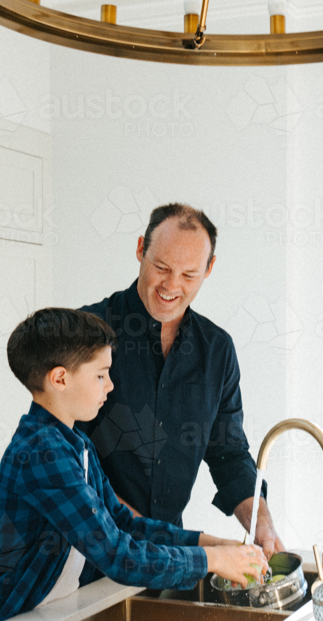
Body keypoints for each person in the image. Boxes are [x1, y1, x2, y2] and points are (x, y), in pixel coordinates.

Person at [0, 308, 267, 621]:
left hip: (46, 617)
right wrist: (212, 561)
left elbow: (124, 524)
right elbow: (116, 555)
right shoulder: (43, 452)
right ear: (60, 379)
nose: (110, 386)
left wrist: (212, 543)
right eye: (100, 375)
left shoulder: (75, 444)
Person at [79, 203, 285, 557]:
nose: (172, 285)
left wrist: (262, 527)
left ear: (209, 269)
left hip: (166, 558)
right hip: (89, 553)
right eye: (161, 267)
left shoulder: (216, 350)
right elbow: (69, 459)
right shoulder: (87, 333)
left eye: (189, 275)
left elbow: (229, 454)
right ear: (141, 248)